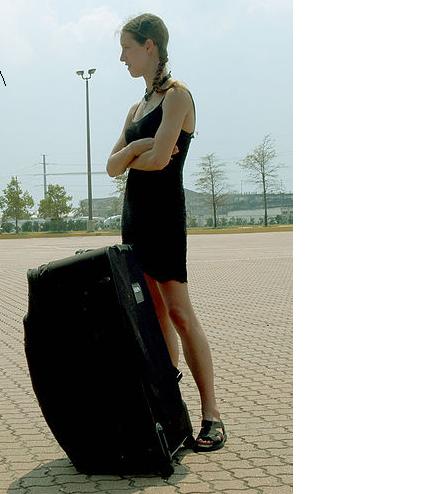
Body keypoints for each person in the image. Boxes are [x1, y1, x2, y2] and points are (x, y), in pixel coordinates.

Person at [106, 13, 226, 453]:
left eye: (127, 48)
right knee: (152, 314)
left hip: (164, 217)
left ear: (150, 45)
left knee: (178, 311)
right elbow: (112, 165)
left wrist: (138, 155)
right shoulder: (136, 110)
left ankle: (212, 413)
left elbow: (161, 164)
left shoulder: (179, 97)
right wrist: (141, 146)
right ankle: (171, 411)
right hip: (134, 216)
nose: (122, 57)